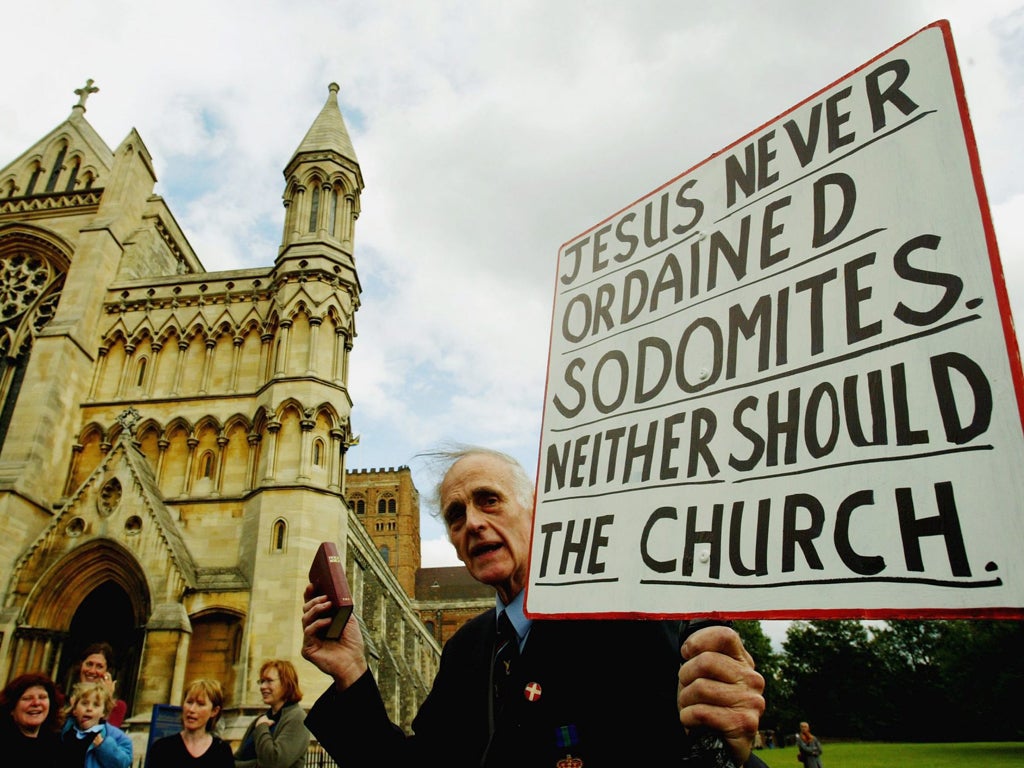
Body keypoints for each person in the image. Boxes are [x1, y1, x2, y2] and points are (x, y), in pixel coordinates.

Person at [301, 445, 766, 767]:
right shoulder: (469, 648)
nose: (473, 524)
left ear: (536, 512)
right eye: (456, 516)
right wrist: (352, 672)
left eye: (489, 501)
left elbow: (689, 751)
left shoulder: (622, 618)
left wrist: (733, 750)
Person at [233, 659, 309, 768]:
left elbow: (273, 763)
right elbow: (236, 759)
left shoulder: (297, 718)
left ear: (286, 683)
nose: (262, 687)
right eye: (262, 681)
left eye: (269, 681)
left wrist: (262, 728)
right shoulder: (261, 719)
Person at [147, 679, 233, 768]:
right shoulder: (162, 748)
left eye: (200, 704)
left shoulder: (222, 752)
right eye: (189, 702)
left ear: (214, 711)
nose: (191, 709)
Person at [58, 681, 133, 768]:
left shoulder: (115, 736)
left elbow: (122, 763)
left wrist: (105, 746)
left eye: (96, 705)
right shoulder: (65, 730)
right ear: (75, 710)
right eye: (84, 703)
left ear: (103, 712)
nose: (89, 708)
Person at [1, 672, 65, 767]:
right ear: (11, 708)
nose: (36, 703)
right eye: (27, 698)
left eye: (42, 697)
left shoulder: (56, 743)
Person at [75, 643, 127, 728]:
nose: (92, 671)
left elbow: (105, 735)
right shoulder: (62, 699)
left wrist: (107, 700)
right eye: (89, 664)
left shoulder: (117, 706)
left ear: (107, 672)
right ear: (81, 665)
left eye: (99, 666)